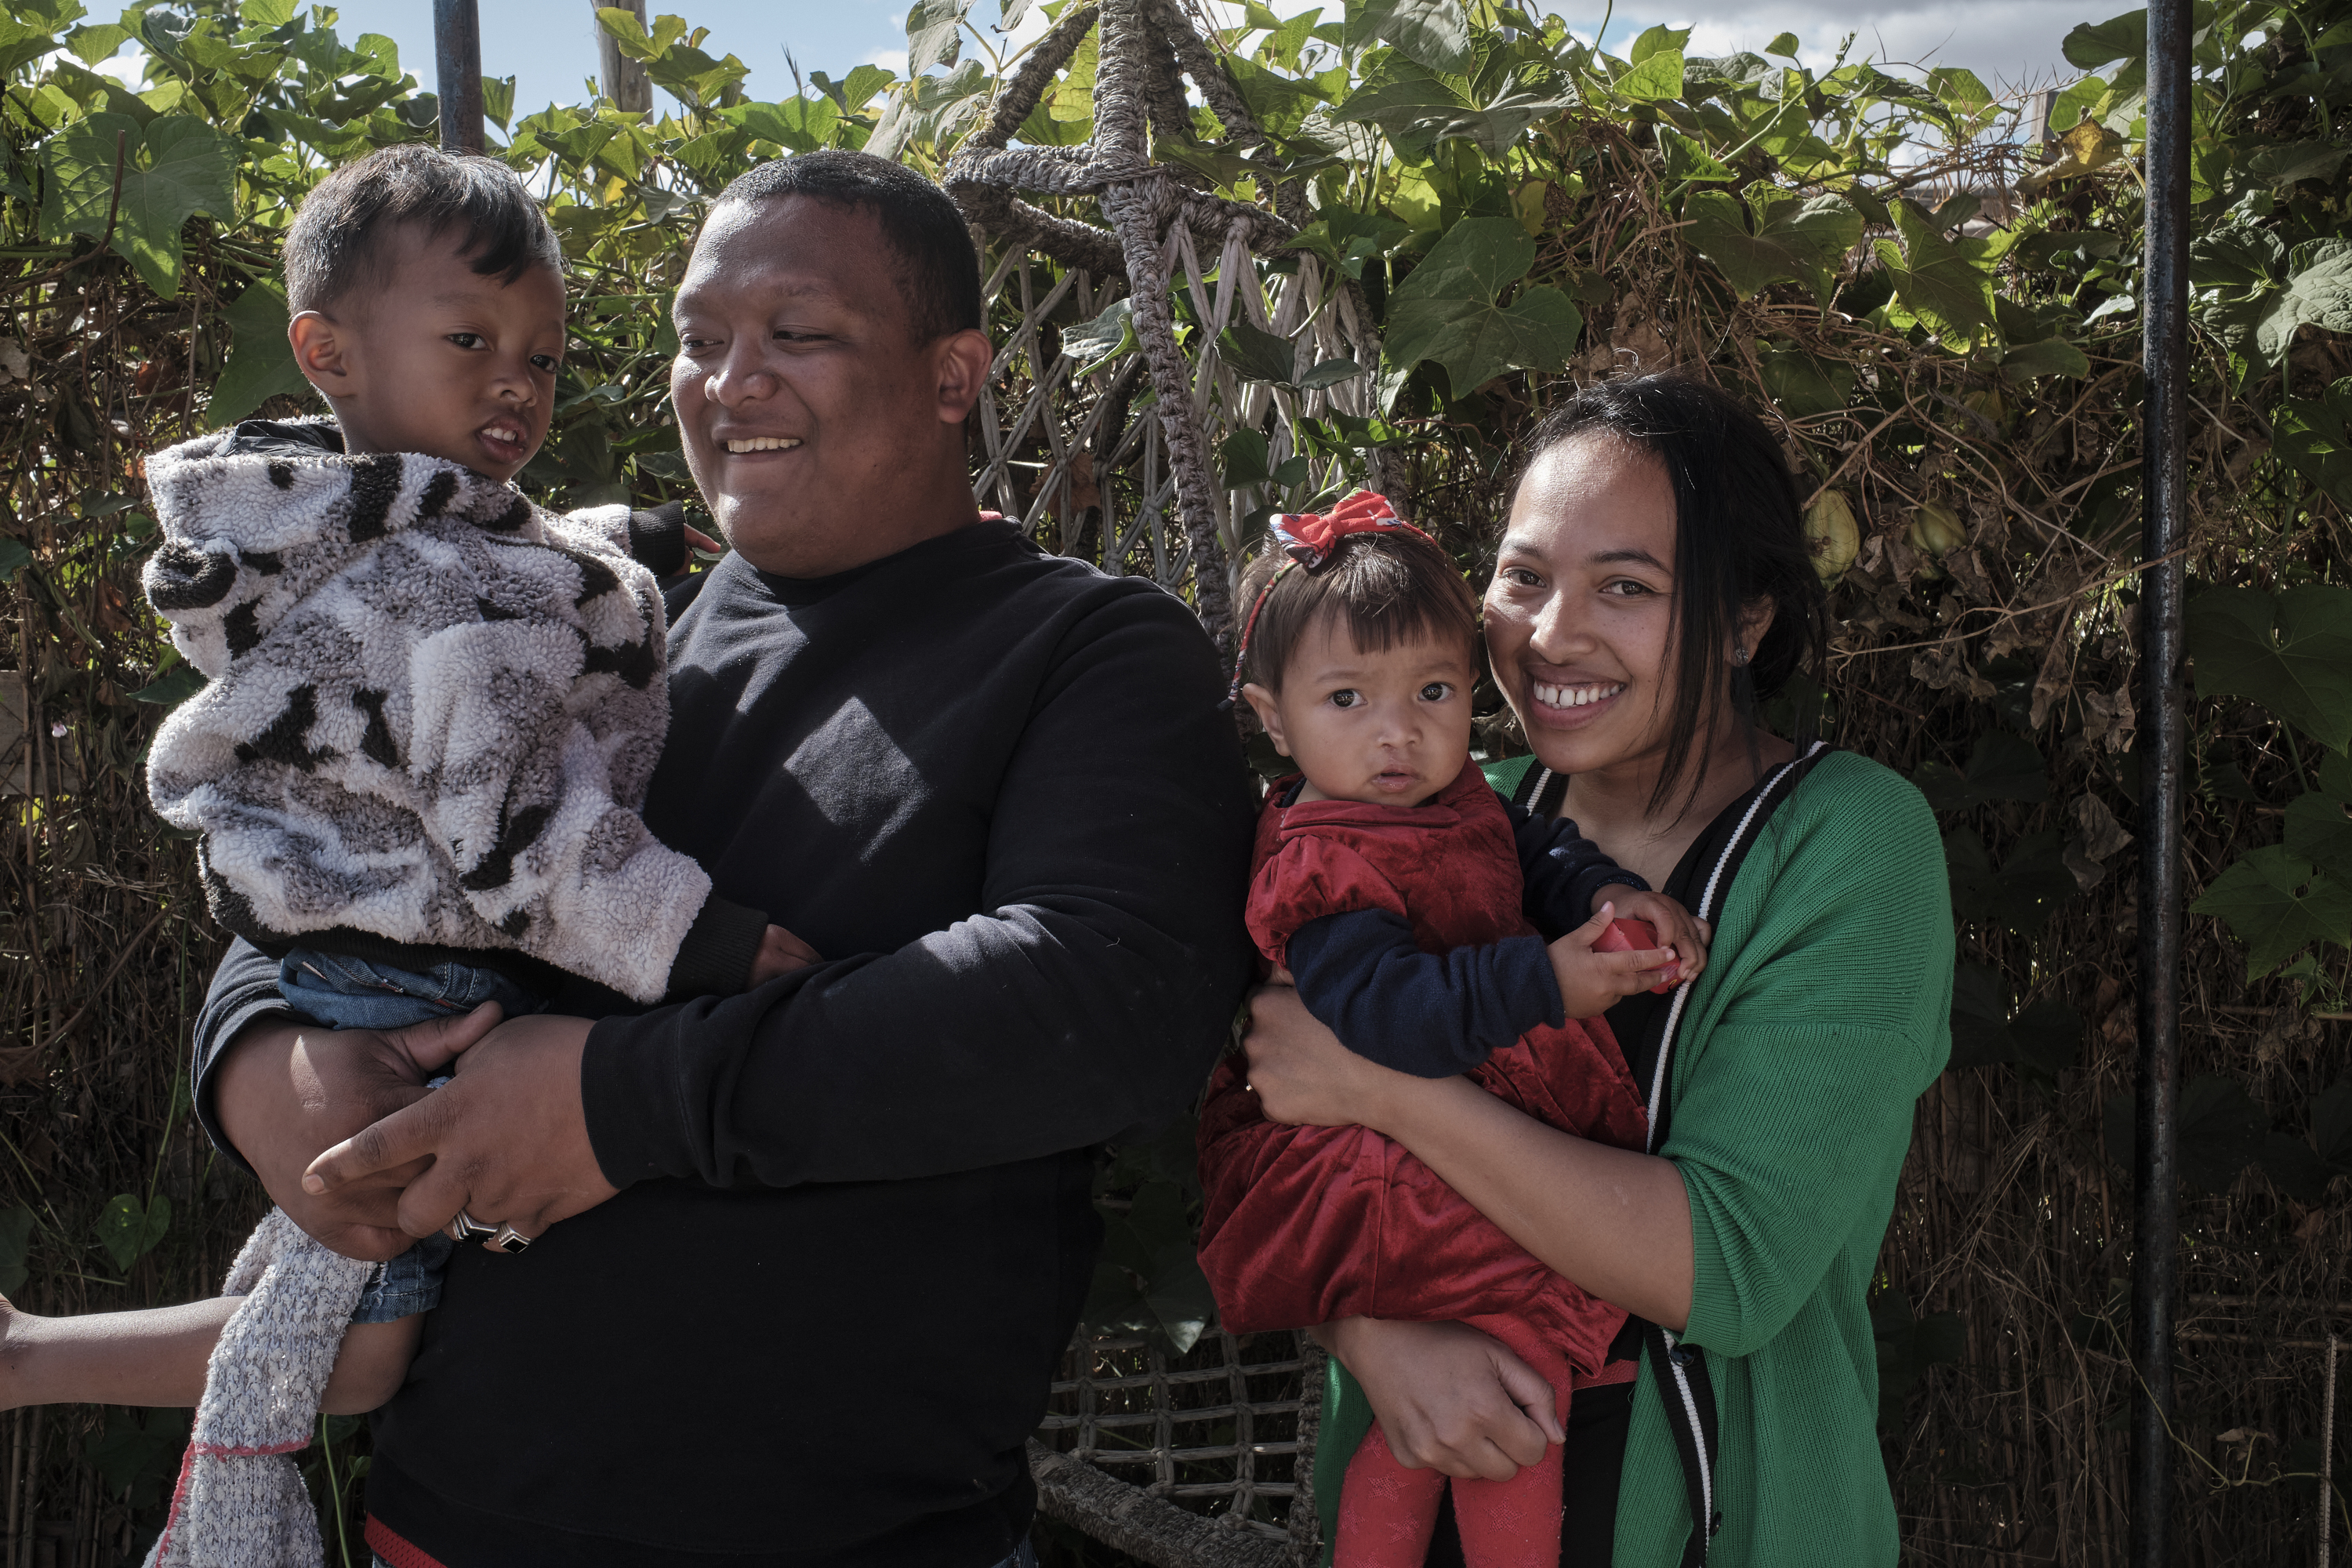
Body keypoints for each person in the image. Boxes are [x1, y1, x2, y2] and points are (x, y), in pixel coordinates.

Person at [154, 148, 1256, 1568]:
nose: (729, 382)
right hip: (447, 1517)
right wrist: (262, 1064)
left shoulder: (1085, 650)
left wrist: (626, 1103)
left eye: (798, 334)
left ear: (953, 376)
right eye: (698, 340)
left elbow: (1112, 1001)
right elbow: (340, 833)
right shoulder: (608, 621)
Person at [1, 144, 824, 1563]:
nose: (517, 380)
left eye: (545, 358)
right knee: (370, 1348)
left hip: (333, 950)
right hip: (392, 977)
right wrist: (695, 936)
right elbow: (510, 830)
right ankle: (25, 1362)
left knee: (345, 1293)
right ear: (324, 349)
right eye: (471, 341)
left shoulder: (346, 526)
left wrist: (625, 546)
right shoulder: (445, 583)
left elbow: (502, 561)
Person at [1232, 375, 1951, 1566]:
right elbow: (1269, 1129)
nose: (1551, 635)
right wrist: (1371, 1334)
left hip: (1711, 1515)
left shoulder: (1848, 845)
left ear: (1743, 621)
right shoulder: (1448, 817)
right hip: (1435, 1477)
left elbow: (1725, 1265)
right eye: (1522, 578)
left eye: (1627, 587)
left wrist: (1383, 1084)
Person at [1194, 492, 1709, 1566]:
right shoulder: (1320, 862)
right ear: (1274, 718)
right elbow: (1386, 1017)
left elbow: (1534, 854)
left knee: (1436, 1424)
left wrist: (1610, 898)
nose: (1401, 731)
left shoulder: (1454, 796)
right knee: (1519, 1386)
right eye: (1348, 699)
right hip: (1388, 1178)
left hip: (1445, 1146)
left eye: (1433, 692)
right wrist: (1545, 985)